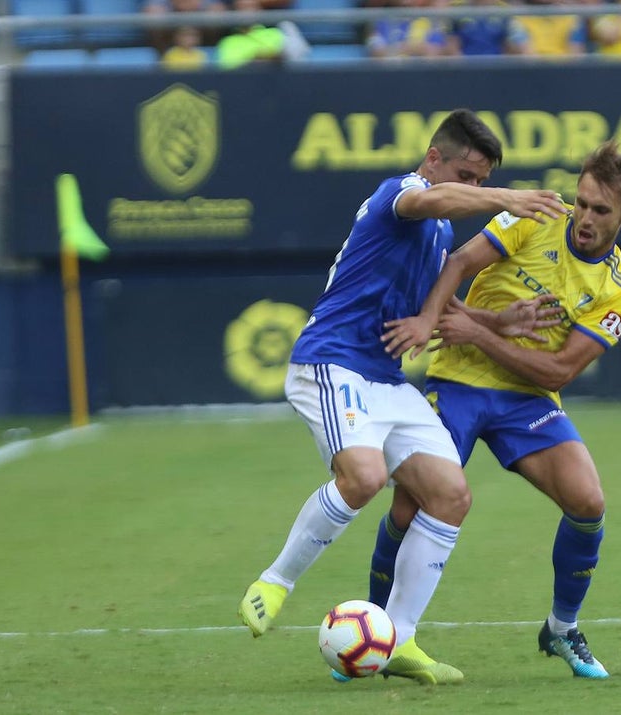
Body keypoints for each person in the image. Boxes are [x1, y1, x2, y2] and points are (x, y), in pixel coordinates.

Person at [237, 108, 566, 685]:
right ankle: (276, 581)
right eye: (467, 175)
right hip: (332, 361)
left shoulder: (439, 230)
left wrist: (498, 324)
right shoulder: (404, 192)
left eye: (482, 181)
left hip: (386, 380)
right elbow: (430, 201)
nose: (474, 188)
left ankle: (400, 639)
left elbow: (443, 307)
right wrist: (504, 200)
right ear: (434, 158)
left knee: (451, 495)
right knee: (361, 478)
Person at [370, 140, 621, 680]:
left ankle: (562, 628)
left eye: (600, 210)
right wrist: (435, 320)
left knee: (588, 501)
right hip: (458, 382)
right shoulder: (534, 219)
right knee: (410, 508)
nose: (585, 218)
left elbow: (558, 372)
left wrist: (477, 329)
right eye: (582, 202)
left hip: (528, 399)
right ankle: (376, 634)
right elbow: (457, 263)